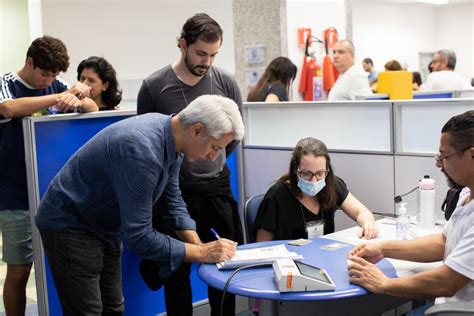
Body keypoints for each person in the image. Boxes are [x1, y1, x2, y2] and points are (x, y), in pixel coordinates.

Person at [35, 94, 244, 315]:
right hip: (70, 222)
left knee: (114, 307)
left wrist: (201, 246)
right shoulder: (141, 151)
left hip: (103, 222)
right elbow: (139, 237)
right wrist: (201, 254)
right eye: (214, 147)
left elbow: (172, 201)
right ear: (197, 130)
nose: (214, 157)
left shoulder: (174, 137)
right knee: (88, 311)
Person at [137, 13, 243, 316]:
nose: (207, 61)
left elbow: (233, 135)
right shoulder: (155, 86)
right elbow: (150, 141)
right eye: (200, 53)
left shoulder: (225, 81)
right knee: (176, 270)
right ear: (182, 44)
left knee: (226, 266)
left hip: (216, 188)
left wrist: (210, 156)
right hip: (173, 192)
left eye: (213, 55)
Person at [0, 35, 98, 316]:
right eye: (45, 73)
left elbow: (91, 108)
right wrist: (59, 97)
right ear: (30, 62)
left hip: (53, 194)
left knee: (57, 266)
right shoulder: (7, 83)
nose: (50, 79)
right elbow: (8, 108)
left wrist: (81, 97)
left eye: (55, 75)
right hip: (15, 195)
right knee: (19, 271)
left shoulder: (57, 83)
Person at [348, 110, 473, 308]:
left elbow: (447, 282)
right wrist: (383, 248)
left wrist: (384, 284)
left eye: (445, 157)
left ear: (471, 154)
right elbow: (444, 242)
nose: (440, 165)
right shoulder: (467, 194)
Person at [252, 137, 379, 242]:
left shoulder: (332, 185)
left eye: (320, 173)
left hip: (323, 258)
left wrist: (368, 225)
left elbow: (361, 212)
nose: (314, 181)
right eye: (306, 173)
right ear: (295, 170)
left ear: (327, 170)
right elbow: (262, 246)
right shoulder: (276, 196)